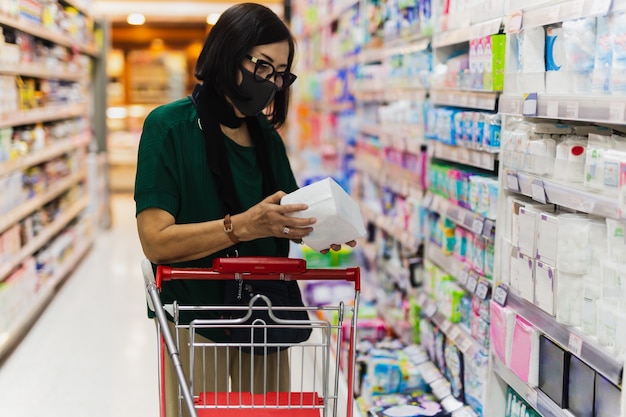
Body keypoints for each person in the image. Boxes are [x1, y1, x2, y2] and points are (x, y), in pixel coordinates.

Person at [133, 3, 356, 416]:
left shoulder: (267, 139)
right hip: (196, 318)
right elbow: (155, 241)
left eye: (280, 73)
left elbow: (283, 216)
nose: (270, 83)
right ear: (226, 53)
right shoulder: (170, 128)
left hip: (266, 314)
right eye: (262, 66)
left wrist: (320, 228)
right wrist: (242, 226)